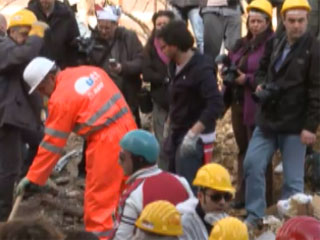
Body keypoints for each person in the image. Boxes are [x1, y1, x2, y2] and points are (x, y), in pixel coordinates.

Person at [17, 57, 137, 239]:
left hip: (106, 143)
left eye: (42, 89)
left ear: (50, 77)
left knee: (100, 205)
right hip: (130, 130)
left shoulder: (61, 98)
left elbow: (52, 144)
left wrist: (33, 177)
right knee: (128, 193)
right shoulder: (89, 71)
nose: (43, 95)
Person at [243, 0, 320, 228]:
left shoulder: (314, 49)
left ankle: (291, 225)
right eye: (292, 21)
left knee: (293, 182)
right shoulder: (275, 41)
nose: (297, 25)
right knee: (252, 164)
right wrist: (259, 85)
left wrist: (310, 126)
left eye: (301, 21)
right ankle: (254, 218)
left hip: (295, 123)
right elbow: (262, 70)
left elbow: (317, 90)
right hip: (268, 119)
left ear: (307, 20)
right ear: (283, 21)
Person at [158, 20, 223, 190]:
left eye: (164, 47)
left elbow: (215, 104)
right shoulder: (173, 66)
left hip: (195, 137)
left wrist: (194, 133)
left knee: (188, 187)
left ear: (175, 45)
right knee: (173, 182)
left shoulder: (201, 69)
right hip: (177, 130)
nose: (162, 51)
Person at [222, 0, 274, 208]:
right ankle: (243, 196)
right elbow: (231, 60)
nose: (255, 26)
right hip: (237, 101)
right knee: (242, 149)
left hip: (257, 104)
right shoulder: (242, 44)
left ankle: (263, 199)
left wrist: (248, 80)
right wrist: (226, 69)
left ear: (268, 22)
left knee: (260, 155)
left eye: (259, 22)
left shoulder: (271, 44)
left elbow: (269, 73)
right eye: (252, 21)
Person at [0, 9, 46, 221]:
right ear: (11, 33)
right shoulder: (5, 48)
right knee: (9, 168)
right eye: (24, 35)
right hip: (6, 119)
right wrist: (36, 35)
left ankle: (28, 181)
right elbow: (24, 54)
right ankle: (4, 214)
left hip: (20, 117)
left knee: (42, 142)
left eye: (29, 36)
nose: (27, 41)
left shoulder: (17, 51)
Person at [111, 129, 193, 239]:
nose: (119, 162)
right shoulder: (181, 181)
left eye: (122, 157)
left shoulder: (133, 196)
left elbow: (121, 238)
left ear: (139, 160)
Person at [86, 5, 143, 127]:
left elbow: (141, 61)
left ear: (116, 25)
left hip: (127, 95)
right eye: (101, 27)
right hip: (103, 98)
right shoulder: (93, 39)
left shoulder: (128, 37)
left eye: (107, 28)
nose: (103, 31)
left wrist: (123, 68)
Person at [142, 10, 174, 170]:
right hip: (160, 100)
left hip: (179, 101)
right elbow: (146, 73)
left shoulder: (180, 46)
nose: (161, 27)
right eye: (158, 24)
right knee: (162, 142)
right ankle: (163, 174)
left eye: (165, 24)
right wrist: (163, 78)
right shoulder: (150, 48)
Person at [177, 163, 235, 239]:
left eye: (227, 197)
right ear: (200, 196)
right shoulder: (185, 224)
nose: (222, 202)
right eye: (216, 197)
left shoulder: (228, 222)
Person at [27, 0, 80, 69]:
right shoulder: (29, 14)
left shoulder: (66, 15)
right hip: (37, 71)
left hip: (61, 69)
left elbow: (74, 47)